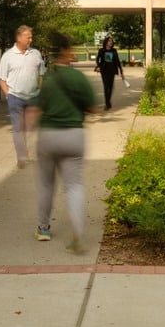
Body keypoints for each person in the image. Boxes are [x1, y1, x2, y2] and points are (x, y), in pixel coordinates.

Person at [33, 36, 100, 247]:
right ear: (66, 53)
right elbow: (93, 108)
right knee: (74, 186)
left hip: (48, 136)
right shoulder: (79, 78)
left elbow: (36, 109)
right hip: (74, 136)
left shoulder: (47, 80)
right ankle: (78, 233)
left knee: (46, 185)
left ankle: (43, 229)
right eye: (71, 50)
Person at [0, 24, 46, 168]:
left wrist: (40, 91)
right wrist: (8, 95)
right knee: (18, 128)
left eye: (31, 37)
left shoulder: (35, 54)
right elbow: (1, 78)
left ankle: (28, 151)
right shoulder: (8, 56)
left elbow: (41, 74)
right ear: (19, 37)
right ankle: (22, 156)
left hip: (33, 97)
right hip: (15, 98)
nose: (31, 39)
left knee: (31, 128)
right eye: (28, 37)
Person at [96, 35, 124, 109]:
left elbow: (117, 61)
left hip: (112, 70)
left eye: (111, 41)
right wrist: (98, 66)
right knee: (106, 87)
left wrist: (121, 71)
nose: (111, 42)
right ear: (106, 42)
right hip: (104, 70)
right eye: (109, 41)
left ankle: (108, 102)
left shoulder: (114, 51)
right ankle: (107, 103)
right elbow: (97, 59)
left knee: (110, 87)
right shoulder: (101, 50)